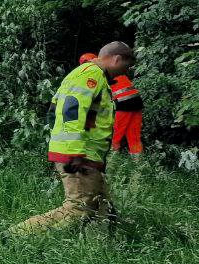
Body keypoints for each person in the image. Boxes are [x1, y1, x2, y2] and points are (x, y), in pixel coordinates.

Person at [10, 42, 136, 235]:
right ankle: (18, 235)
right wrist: (74, 153)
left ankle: (105, 248)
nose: (124, 73)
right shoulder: (90, 76)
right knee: (78, 209)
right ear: (117, 59)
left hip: (84, 153)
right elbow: (72, 111)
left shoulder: (88, 75)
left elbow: (53, 113)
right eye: (125, 67)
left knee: (103, 206)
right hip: (79, 154)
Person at [110, 71, 144, 155]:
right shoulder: (116, 68)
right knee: (134, 136)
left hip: (123, 103)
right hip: (136, 101)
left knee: (114, 135)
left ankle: (111, 162)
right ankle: (138, 163)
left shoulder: (97, 73)